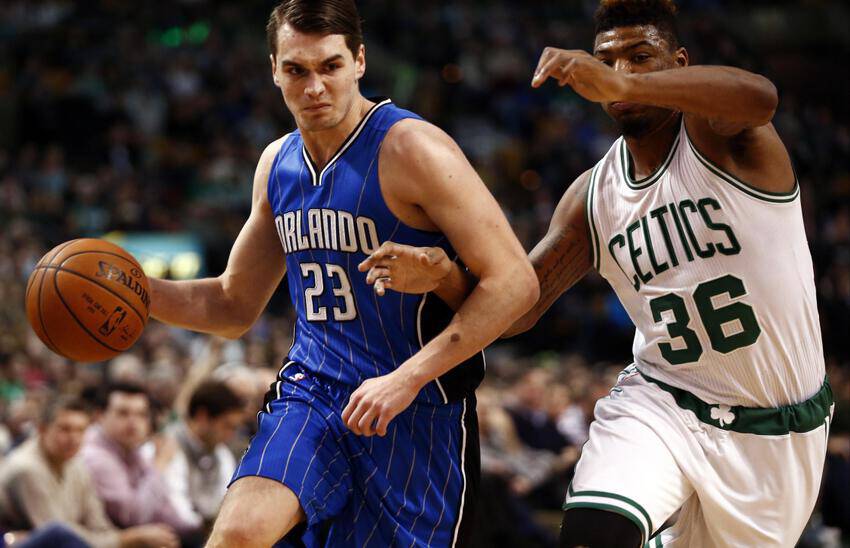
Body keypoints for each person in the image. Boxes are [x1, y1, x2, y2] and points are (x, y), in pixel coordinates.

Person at [358, 1, 831, 546]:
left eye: (640, 56)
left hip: (776, 430)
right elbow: (518, 306)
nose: (621, 71)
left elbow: (761, 96)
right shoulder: (592, 196)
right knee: (592, 533)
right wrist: (442, 274)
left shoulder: (723, 139)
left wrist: (619, 81)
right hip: (665, 401)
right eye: (608, 60)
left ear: (679, 61)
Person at [146, 1, 538, 546]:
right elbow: (232, 305)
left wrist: (409, 377)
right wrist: (136, 292)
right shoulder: (276, 164)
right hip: (314, 392)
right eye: (296, 70)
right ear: (273, 70)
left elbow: (517, 282)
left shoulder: (413, 148)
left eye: (329, 67)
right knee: (237, 534)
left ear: (359, 61)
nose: (314, 88)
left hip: (416, 412)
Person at [0, 395, 179, 548]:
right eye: (65, 429)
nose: (74, 438)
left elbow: (98, 525)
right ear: (42, 429)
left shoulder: (76, 463)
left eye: (80, 430)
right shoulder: (26, 469)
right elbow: (60, 537)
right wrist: (131, 538)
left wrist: (125, 540)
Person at [80, 384, 193, 539]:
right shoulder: (95, 456)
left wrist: (192, 531)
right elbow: (134, 516)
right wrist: (159, 464)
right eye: (123, 413)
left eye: (142, 415)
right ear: (100, 415)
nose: (133, 422)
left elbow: (162, 508)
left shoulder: (132, 450)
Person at [158, 380, 243, 535]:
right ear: (202, 416)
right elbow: (177, 512)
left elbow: (227, 501)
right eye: (227, 425)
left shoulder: (221, 453)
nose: (231, 435)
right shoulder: (169, 446)